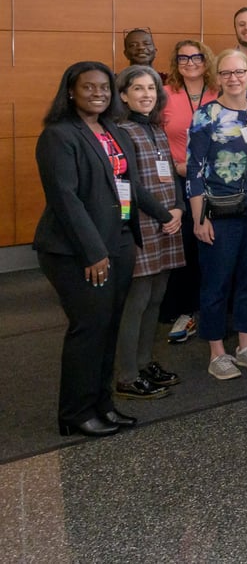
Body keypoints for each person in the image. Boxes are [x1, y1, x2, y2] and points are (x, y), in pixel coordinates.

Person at [35, 62, 174, 438]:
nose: (98, 93)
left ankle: (101, 404)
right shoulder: (59, 136)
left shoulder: (113, 130)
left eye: (103, 88)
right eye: (89, 87)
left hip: (119, 243)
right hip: (77, 251)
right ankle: (75, 413)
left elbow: (129, 183)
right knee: (89, 329)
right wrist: (93, 252)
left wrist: (164, 214)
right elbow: (65, 200)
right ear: (70, 92)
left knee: (109, 327)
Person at [186, 50, 247, 380]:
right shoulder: (206, 115)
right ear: (218, 77)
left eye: (239, 72)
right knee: (217, 281)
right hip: (219, 212)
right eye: (226, 73)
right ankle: (217, 352)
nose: (234, 79)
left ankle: (245, 345)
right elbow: (194, 170)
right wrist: (198, 218)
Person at [114, 65, 186, 400]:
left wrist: (179, 209)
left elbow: (171, 174)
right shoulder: (121, 131)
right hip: (142, 223)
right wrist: (162, 213)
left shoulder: (157, 129)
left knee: (157, 297)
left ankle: (144, 363)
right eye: (138, 89)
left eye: (151, 89)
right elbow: (129, 184)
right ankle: (127, 374)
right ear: (124, 95)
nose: (146, 95)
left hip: (167, 221)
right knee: (138, 299)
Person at [158, 40, 217, 343]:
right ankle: (185, 308)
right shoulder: (165, 95)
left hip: (216, 182)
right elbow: (153, 138)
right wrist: (177, 164)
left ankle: (212, 307)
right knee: (185, 244)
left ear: (207, 61)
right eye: (183, 57)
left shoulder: (218, 92)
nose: (190, 62)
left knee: (213, 243)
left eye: (196, 57)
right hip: (176, 179)